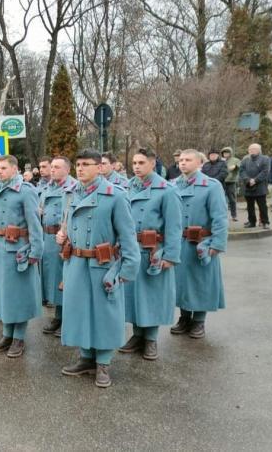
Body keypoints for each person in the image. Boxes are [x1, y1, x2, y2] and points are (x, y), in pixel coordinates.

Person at [56, 148, 140, 388]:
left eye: (86, 164)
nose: (80, 169)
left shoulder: (115, 195)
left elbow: (127, 237)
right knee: (80, 311)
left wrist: (125, 271)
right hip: (76, 262)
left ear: (99, 167)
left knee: (104, 314)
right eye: (78, 164)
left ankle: (103, 363)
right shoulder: (70, 194)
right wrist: (62, 237)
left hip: (102, 264)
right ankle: (86, 358)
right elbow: (68, 225)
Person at [120, 148, 182, 361]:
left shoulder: (166, 190)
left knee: (151, 296)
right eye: (134, 162)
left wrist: (170, 256)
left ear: (153, 163)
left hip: (153, 251)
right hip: (131, 249)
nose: (136, 166)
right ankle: (137, 335)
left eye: (141, 162)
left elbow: (174, 227)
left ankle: (151, 339)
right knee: (133, 295)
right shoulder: (127, 187)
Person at [0, 155, 43, 358]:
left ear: (15, 169)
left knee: (17, 296)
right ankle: (6, 335)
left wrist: (35, 252)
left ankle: (18, 338)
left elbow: (35, 225)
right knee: (1, 295)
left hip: (17, 250)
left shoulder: (25, 191)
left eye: (3, 168)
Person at [171, 149, 228, 339]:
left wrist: (217, 244)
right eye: (181, 160)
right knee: (181, 282)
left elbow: (219, 218)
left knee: (201, 282)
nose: (183, 163)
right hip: (179, 241)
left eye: (188, 160)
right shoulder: (172, 186)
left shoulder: (212, 186)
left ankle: (199, 321)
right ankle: (184, 317)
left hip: (202, 242)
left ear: (199, 163)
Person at [40, 156, 76, 334]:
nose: (52, 170)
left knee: (66, 278)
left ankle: (68, 318)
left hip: (66, 239)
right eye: (51, 167)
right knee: (53, 278)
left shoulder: (74, 188)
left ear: (67, 170)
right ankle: (58, 316)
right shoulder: (47, 188)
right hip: (48, 237)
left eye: (56, 167)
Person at [239, 143, 271, 229]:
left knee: (262, 206)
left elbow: (265, 172)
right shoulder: (245, 160)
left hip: (260, 186)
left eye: (253, 149)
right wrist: (247, 180)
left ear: (258, 150)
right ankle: (251, 221)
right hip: (248, 185)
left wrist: (255, 180)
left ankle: (265, 222)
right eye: (250, 149)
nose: (251, 151)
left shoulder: (265, 159)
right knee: (250, 206)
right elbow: (241, 170)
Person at [221, 147, 240, 221]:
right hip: (221, 182)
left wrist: (233, 167)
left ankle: (234, 215)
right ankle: (222, 215)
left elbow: (236, 167)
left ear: (230, 153)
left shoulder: (235, 160)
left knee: (232, 199)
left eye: (227, 152)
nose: (226, 154)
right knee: (221, 200)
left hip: (231, 181)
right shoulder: (221, 160)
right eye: (224, 153)